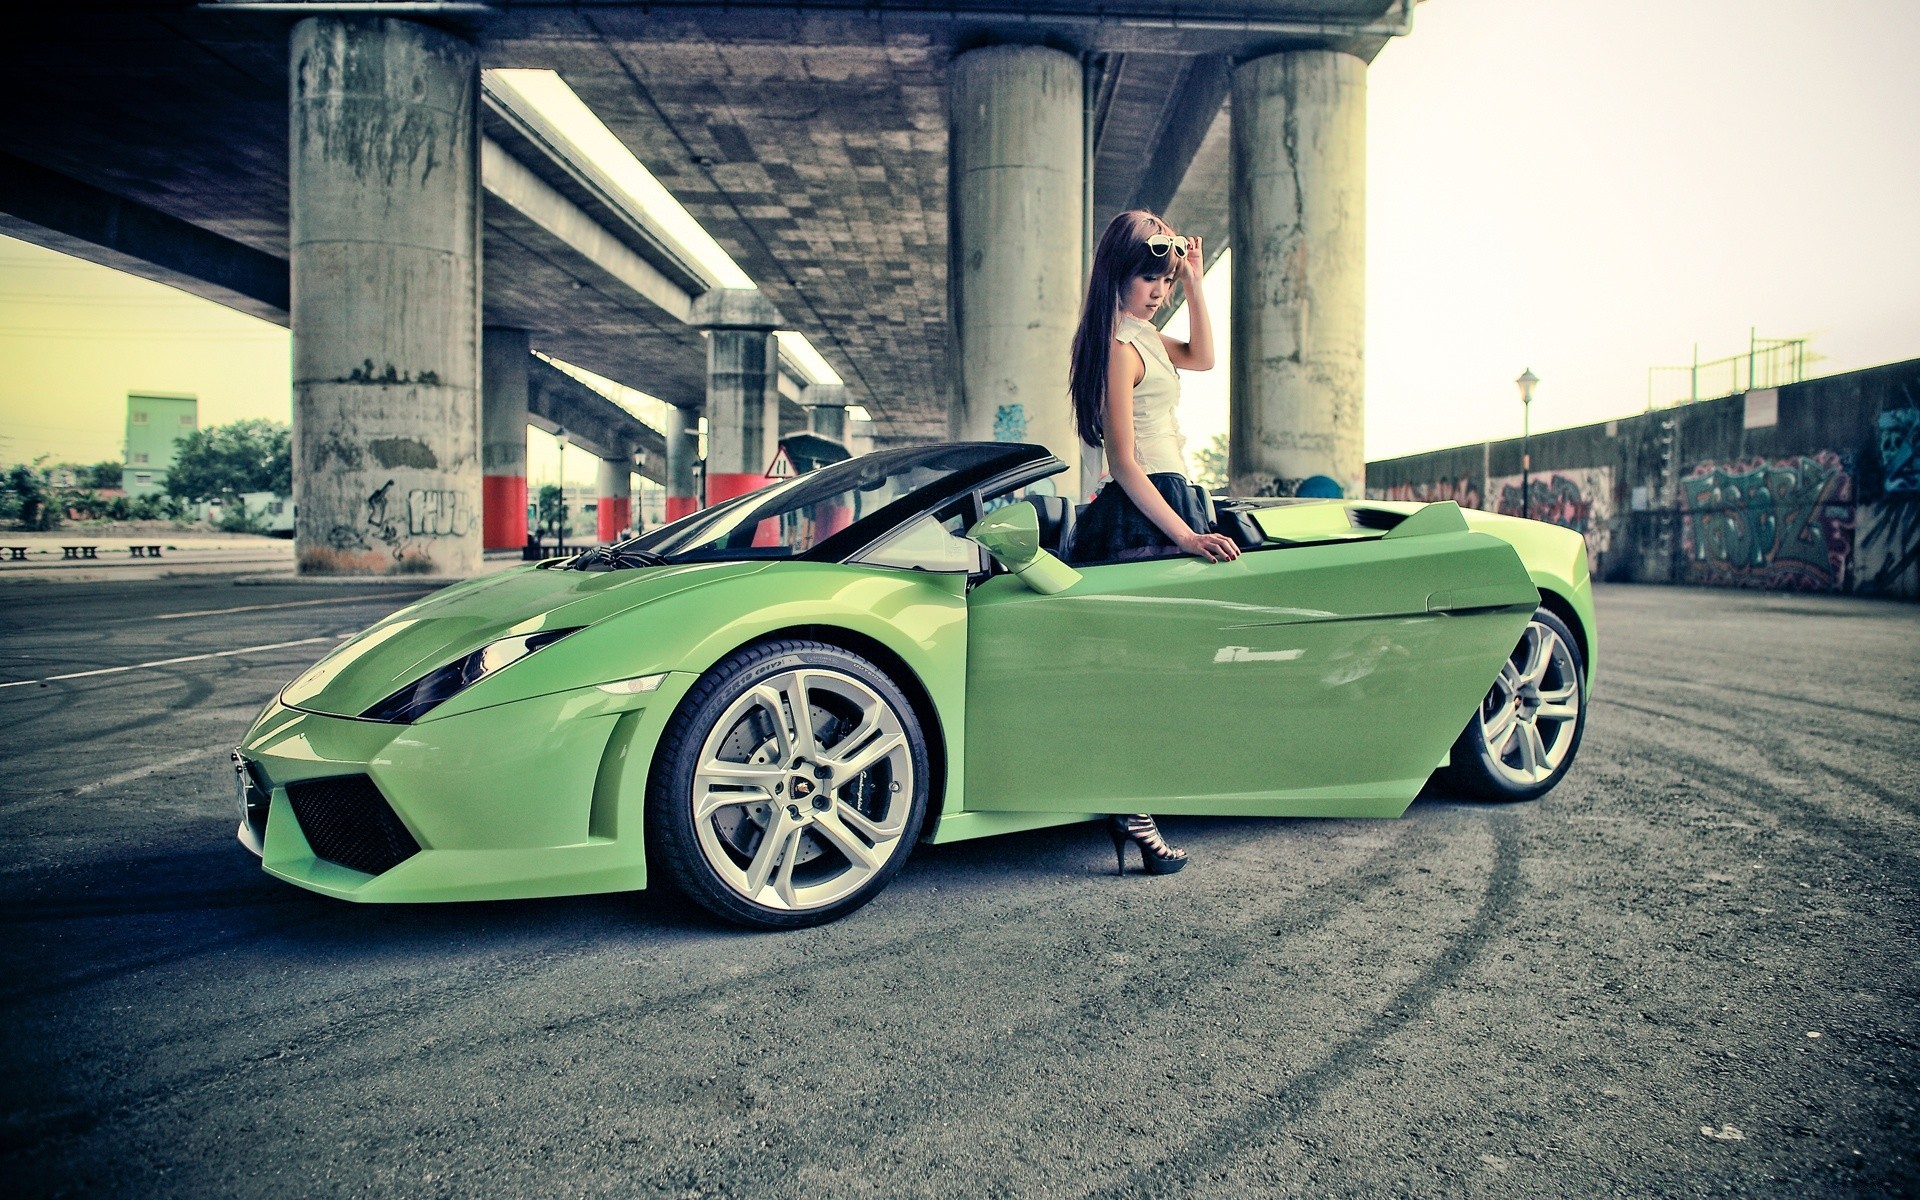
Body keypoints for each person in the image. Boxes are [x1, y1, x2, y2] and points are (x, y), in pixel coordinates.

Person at [1067, 209, 1241, 876]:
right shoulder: (1116, 346)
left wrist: (1194, 279)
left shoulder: (1147, 336)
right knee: (1144, 674)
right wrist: (1187, 536)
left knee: (1162, 671)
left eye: (1164, 281)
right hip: (1148, 515)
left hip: (1174, 504)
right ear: (1117, 273)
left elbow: (1203, 357)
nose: (1158, 291)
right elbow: (1123, 462)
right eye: (1150, 278)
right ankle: (1134, 810)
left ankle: (1137, 803)